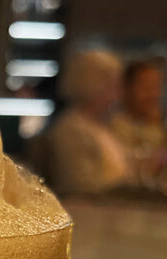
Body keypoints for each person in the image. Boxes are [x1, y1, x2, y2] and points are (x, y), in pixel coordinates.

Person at [47, 49, 130, 195]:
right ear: (96, 85)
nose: (121, 93)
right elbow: (80, 186)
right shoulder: (70, 129)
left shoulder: (103, 126)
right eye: (115, 84)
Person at [111, 59, 167, 156]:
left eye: (157, 87)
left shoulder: (152, 123)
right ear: (127, 88)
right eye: (147, 87)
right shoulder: (114, 126)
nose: (154, 94)